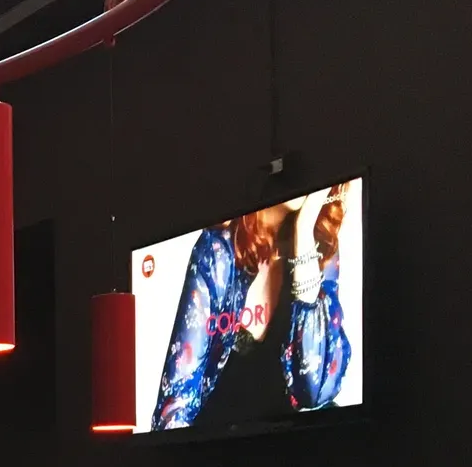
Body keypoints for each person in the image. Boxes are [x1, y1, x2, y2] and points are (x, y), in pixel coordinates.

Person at [151, 183, 352, 431]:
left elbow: (316, 391)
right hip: (216, 446)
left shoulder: (321, 247)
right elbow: (175, 404)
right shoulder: (217, 251)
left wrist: (304, 230)